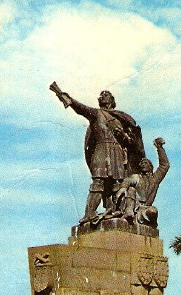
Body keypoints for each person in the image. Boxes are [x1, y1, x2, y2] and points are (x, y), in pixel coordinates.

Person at [50, 83, 145, 223]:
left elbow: (132, 142)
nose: (103, 96)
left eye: (107, 95)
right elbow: (80, 108)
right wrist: (66, 98)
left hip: (117, 152)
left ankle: (116, 210)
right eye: (102, 95)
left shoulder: (120, 118)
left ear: (112, 100)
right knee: (98, 182)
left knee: (117, 183)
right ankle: (90, 212)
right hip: (101, 150)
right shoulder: (96, 113)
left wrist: (123, 135)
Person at [117, 137, 169, 228]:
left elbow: (165, 165)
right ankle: (129, 212)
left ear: (150, 167)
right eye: (142, 163)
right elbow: (127, 181)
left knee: (153, 211)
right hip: (133, 205)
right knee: (132, 189)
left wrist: (159, 148)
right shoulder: (136, 177)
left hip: (145, 208)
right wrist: (123, 188)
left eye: (145, 163)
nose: (143, 164)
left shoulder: (155, 179)